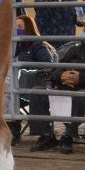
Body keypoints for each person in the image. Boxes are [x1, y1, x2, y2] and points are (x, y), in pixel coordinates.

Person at [29, 16, 85, 154]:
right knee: (37, 92)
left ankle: (69, 135)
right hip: (65, 86)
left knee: (80, 95)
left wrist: (80, 78)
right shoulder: (75, 49)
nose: (84, 32)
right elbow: (57, 68)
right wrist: (61, 76)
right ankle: (46, 135)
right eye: (84, 29)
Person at [8, 15, 57, 144]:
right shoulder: (16, 46)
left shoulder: (37, 44)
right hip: (19, 86)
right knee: (5, 93)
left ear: (28, 28)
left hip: (35, 83)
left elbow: (47, 63)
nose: (16, 30)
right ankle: (10, 128)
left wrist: (26, 68)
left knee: (10, 94)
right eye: (15, 27)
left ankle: (15, 129)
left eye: (20, 27)